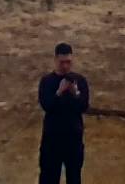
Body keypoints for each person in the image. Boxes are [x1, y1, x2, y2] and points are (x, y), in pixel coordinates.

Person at [38, 42, 90, 184]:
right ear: (55, 60)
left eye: (68, 62)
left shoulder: (80, 81)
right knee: (49, 178)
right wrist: (59, 92)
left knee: (74, 178)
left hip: (73, 141)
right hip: (52, 141)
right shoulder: (47, 81)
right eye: (62, 62)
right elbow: (47, 105)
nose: (66, 66)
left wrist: (76, 93)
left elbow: (84, 106)